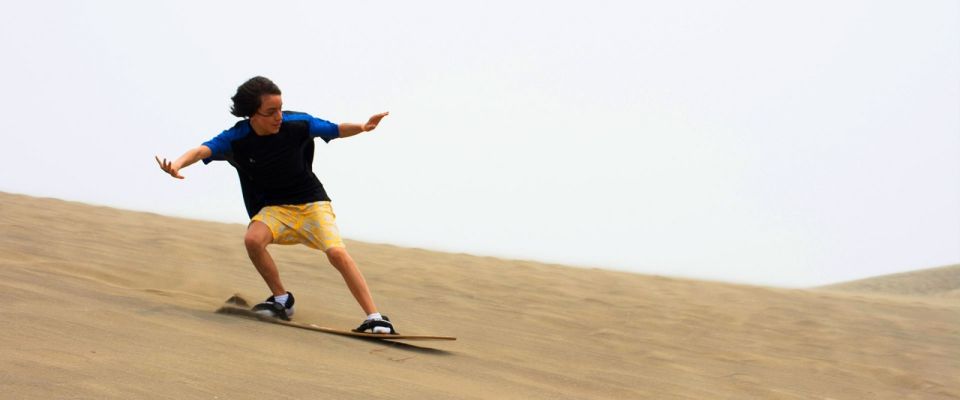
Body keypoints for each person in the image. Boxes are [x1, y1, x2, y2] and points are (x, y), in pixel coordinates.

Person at [155, 76, 395, 334]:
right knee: (253, 240)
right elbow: (202, 150)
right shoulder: (237, 138)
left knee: (336, 252)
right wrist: (178, 164)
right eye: (271, 112)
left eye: (280, 108)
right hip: (275, 208)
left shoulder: (297, 123)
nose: (279, 116)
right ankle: (282, 300)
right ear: (252, 114)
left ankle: (375, 318)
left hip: (312, 203)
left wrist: (363, 126)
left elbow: (335, 129)